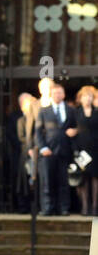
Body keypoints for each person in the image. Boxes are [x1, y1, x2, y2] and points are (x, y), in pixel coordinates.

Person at [36, 82, 78, 216]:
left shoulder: (71, 110)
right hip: (48, 152)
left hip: (65, 151)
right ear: (51, 95)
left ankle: (63, 208)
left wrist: (75, 131)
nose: (58, 95)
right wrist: (43, 148)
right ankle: (48, 208)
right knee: (48, 182)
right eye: (55, 93)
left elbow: (77, 127)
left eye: (60, 92)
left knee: (63, 181)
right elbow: (37, 132)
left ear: (64, 94)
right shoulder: (43, 111)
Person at [74, 86, 98, 216]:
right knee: (83, 178)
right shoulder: (75, 113)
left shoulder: (97, 112)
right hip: (81, 150)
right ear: (80, 98)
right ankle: (84, 206)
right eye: (85, 96)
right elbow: (71, 130)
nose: (87, 98)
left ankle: (94, 206)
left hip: (95, 150)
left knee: (95, 178)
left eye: (90, 96)